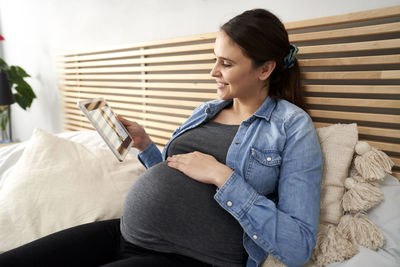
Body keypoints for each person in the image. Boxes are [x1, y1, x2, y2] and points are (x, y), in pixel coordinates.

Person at [0, 8, 322, 267]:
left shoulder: (292, 127)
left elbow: (298, 246)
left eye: (226, 63)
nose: (213, 72)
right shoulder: (208, 109)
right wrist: (144, 145)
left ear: (265, 70)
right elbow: (175, 168)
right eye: (214, 58)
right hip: (124, 232)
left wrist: (220, 175)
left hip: (184, 257)